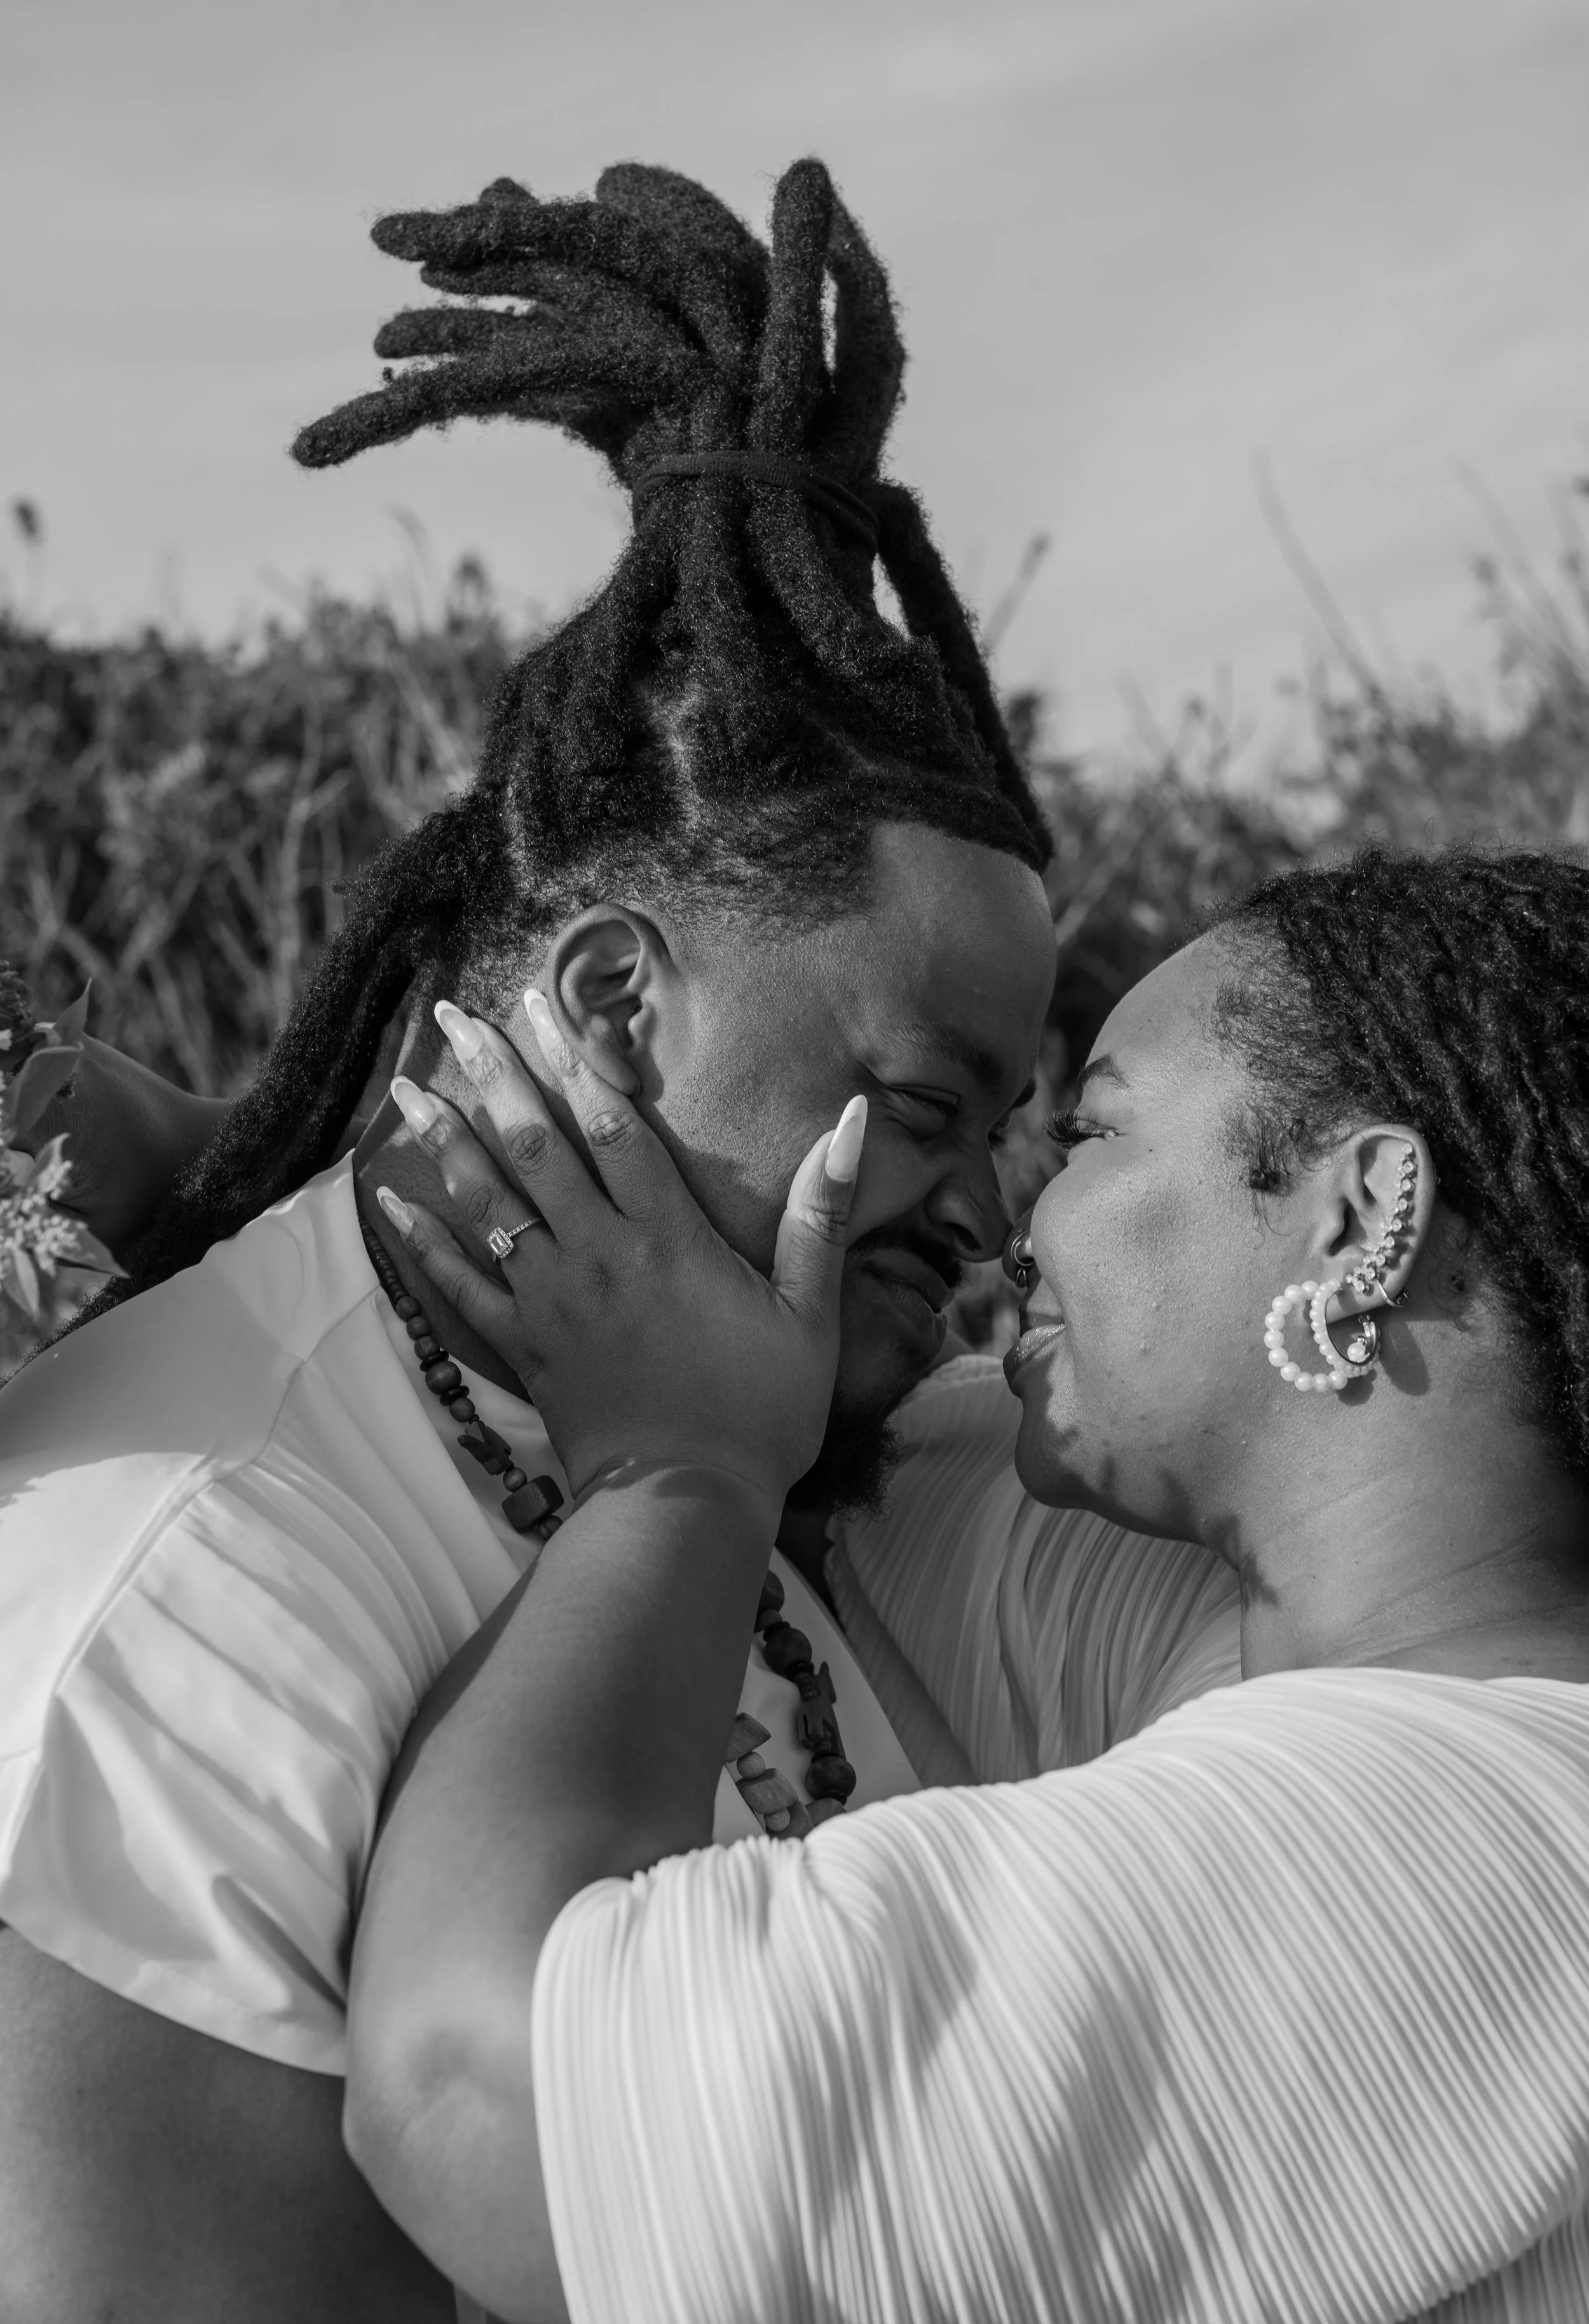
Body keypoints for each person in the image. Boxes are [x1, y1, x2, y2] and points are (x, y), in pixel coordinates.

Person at [0, 159, 1058, 2321]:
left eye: (1016, 1132)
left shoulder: (733, 1445)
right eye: (928, 1111)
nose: (980, 1207)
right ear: (603, 1002)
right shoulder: (194, 1593)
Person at [341, 845, 1589, 2323]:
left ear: (1361, 1213)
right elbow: (852, 1415)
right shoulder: (1261, 1614)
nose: (1016, 1225)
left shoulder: (1448, 1852)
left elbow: (476, 2095)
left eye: (1089, 1133)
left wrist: (672, 1467)